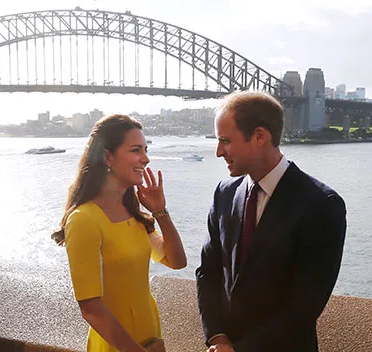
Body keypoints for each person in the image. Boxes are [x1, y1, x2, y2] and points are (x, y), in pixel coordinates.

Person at [196, 91, 347, 352]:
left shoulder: (321, 204)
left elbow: (305, 304)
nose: (218, 151)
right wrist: (217, 337)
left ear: (259, 137)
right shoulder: (225, 192)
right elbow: (208, 272)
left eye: (225, 141)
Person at [52, 114, 187, 352]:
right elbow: (90, 308)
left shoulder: (132, 214)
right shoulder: (84, 220)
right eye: (136, 150)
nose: (145, 159)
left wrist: (160, 212)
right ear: (107, 156)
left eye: (145, 150)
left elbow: (176, 261)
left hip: (149, 335)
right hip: (118, 346)